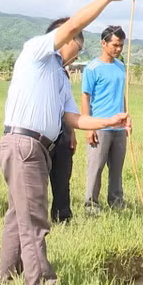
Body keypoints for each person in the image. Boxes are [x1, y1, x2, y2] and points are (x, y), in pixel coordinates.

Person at [0, 0, 135, 285]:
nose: (77, 52)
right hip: (23, 144)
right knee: (34, 221)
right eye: (77, 44)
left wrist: (110, 119)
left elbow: (73, 118)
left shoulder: (59, 76)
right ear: (63, 39)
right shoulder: (36, 51)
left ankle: (8, 280)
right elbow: (74, 23)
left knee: (18, 216)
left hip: (35, 148)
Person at [82, 25, 128, 215]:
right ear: (104, 43)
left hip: (119, 127)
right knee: (96, 167)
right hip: (99, 125)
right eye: (115, 45)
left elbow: (122, 95)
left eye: (121, 46)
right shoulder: (92, 68)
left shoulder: (121, 66)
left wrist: (126, 117)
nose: (118, 49)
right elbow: (86, 96)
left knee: (116, 169)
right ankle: (91, 205)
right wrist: (88, 126)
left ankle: (116, 202)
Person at [48, 20, 83, 224]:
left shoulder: (63, 73)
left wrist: (72, 134)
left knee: (63, 177)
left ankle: (62, 216)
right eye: (76, 48)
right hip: (40, 133)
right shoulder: (40, 65)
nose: (77, 55)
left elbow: (68, 109)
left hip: (62, 130)